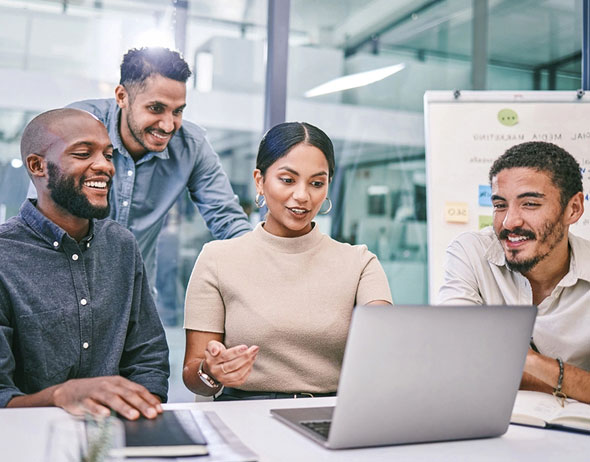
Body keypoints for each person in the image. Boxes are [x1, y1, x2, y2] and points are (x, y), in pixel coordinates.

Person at [182, 122, 393, 400]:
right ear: (260, 181)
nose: (303, 196)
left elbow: (384, 342)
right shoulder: (217, 259)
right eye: (287, 180)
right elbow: (192, 373)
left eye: (316, 183)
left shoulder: (360, 263)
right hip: (245, 412)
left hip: (331, 412)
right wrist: (212, 372)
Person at [0, 108, 169, 419]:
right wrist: (60, 396)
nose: (105, 166)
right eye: (82, 153)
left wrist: (140, 413)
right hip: (27, 436)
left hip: (117, 431)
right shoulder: (4, 255)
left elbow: (148, 360)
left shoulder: (121, 245)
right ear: (38, 166)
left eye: (108, 154)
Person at [65, 47, 251, 295]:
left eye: (178, 111)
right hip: (65, 290)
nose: (168, 125)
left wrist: (264, 266)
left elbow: (228, 220)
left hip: (133, 298)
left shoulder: (191, 146)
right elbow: (40, 218)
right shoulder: (77, 126)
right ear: (122, 96)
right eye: (155, 108)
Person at [438, 141, 590, 404]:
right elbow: (457, 361)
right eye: (500, 205)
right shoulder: (471, 252)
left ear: (573, 208)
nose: (509, 222)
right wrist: (575, 382)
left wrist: (526, 360)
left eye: (529, 204)